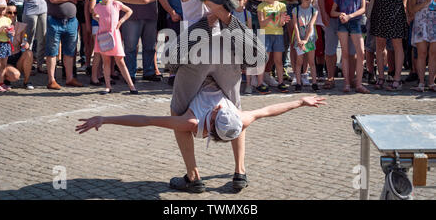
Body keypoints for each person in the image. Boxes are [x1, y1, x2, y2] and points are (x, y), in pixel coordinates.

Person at [77, 0, 322, 192]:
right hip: (227, 49)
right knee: (236, 110)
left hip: (197, 48)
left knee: (177, 111)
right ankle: (240, 171)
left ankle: (193, 176)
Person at [76, 77, 326, 191]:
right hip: (220, 77)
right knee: (242, 120)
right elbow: (269, 110)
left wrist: (106, 119)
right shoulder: (238, 117)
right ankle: (239, 172)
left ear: (216, 113)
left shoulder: (192, 122)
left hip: (199, 78)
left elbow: (148, 120)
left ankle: (193, 177)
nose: (222, 106)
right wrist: (300, 103)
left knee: (178, 117)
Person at [318, 0, 373, 90]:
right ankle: (331, 78)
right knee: (330, 50)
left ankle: (352, 79)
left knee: (353, 52)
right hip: (333, 16)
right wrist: (323, 13)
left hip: (354, 18)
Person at [43, 0, 87, 90]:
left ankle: (69, 78)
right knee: (52, 51)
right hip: (54, 21)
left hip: (72, 22)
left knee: (70, 51)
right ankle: (51, 80)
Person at [92, 0, 138, 95]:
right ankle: (108, 86)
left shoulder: (116, 3)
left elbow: (129, 11)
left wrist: (121, 21)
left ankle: (131, 86)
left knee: (120, 61)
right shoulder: (98, 6)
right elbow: (94, 13)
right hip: (103, 35)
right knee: (106, 61)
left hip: (114, 35)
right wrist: (98, 19)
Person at [119, 0, 161, 82]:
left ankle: (148, 72)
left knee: (149, 46)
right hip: (132, 16)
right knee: (130, 47)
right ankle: (130, 74)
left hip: (150, 15)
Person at [370, 0, 407, 91]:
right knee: (380, 45)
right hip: (381, 11)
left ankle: (397, 78)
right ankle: (381, 77)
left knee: (397, 45)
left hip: (396, 11)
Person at [330, 0, 369, 94]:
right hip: (343, 24)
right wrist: (341, 14)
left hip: (356, 23)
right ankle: (346, 83)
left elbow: (363, 9)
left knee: (360, 53)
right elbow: (333, 11)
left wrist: (350, 16)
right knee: (345, 54)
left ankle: (358, 83)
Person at [284, 0, 318, 87]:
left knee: (307, 40)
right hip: (293, 9)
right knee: (295, 41)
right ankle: (296, 73)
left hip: (308, 9)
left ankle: (305, 73)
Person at [256, 0, 289, 94]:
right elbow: (261, 23)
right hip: (265, 34)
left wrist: (283, 20)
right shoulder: (261, 6)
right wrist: (270, 17)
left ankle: (281, 82)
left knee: (278, 61)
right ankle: (260, 83)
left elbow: (281, 24)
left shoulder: (281, 6)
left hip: (278, 33)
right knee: (263, 60)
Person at [408, 0, 436, 92]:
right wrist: (425, 2)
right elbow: (412, 9)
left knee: (433, 53)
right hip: (420, 23)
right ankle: (420, 82)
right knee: (422, 53)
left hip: (434, 23)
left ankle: (431, 82)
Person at [20, 0, 47, 74]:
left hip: (43, 9)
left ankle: (40, 64)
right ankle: (27, 64)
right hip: (30, 11)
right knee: (28, 38)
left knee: (43, 37)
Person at [0, 4, 35, 90]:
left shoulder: (21, 26)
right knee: (15, 76)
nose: (12, 15)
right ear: (4, 13)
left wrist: (25, 43)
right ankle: (5, 80)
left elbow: (24, 40)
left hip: (17, 55)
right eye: (9, 12)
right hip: (5, 58)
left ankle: (26, 81)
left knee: (29, 53)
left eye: (15, 13)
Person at [70, 0, 93, 73]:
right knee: (73, 38)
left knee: (86, 37)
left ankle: (87, 63)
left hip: (85, 8)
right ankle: (71, 65)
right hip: (73, 8)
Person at [88, 0, 110, 86]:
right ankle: (94, 76)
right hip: (98, 25)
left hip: (108, 26)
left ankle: (103, 74)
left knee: (105, 53)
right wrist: (99, 17)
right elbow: (92, 9)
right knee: (98, 53)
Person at [292, 0, 319, 93]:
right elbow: (295, 26)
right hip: (299, 39)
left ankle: (314, 83)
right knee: (299, 62)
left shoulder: (314, 11)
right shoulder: (296, 10)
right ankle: (298, 83)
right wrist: (299, 39)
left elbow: (311, 25)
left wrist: (306, 40)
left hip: (309, 39)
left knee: (311, 62)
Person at [310, 0, 326, 80]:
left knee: (327, 46)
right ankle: (318, 70)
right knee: (317, 46)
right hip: (313, 19)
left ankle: (325, 68)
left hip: (325, 16)